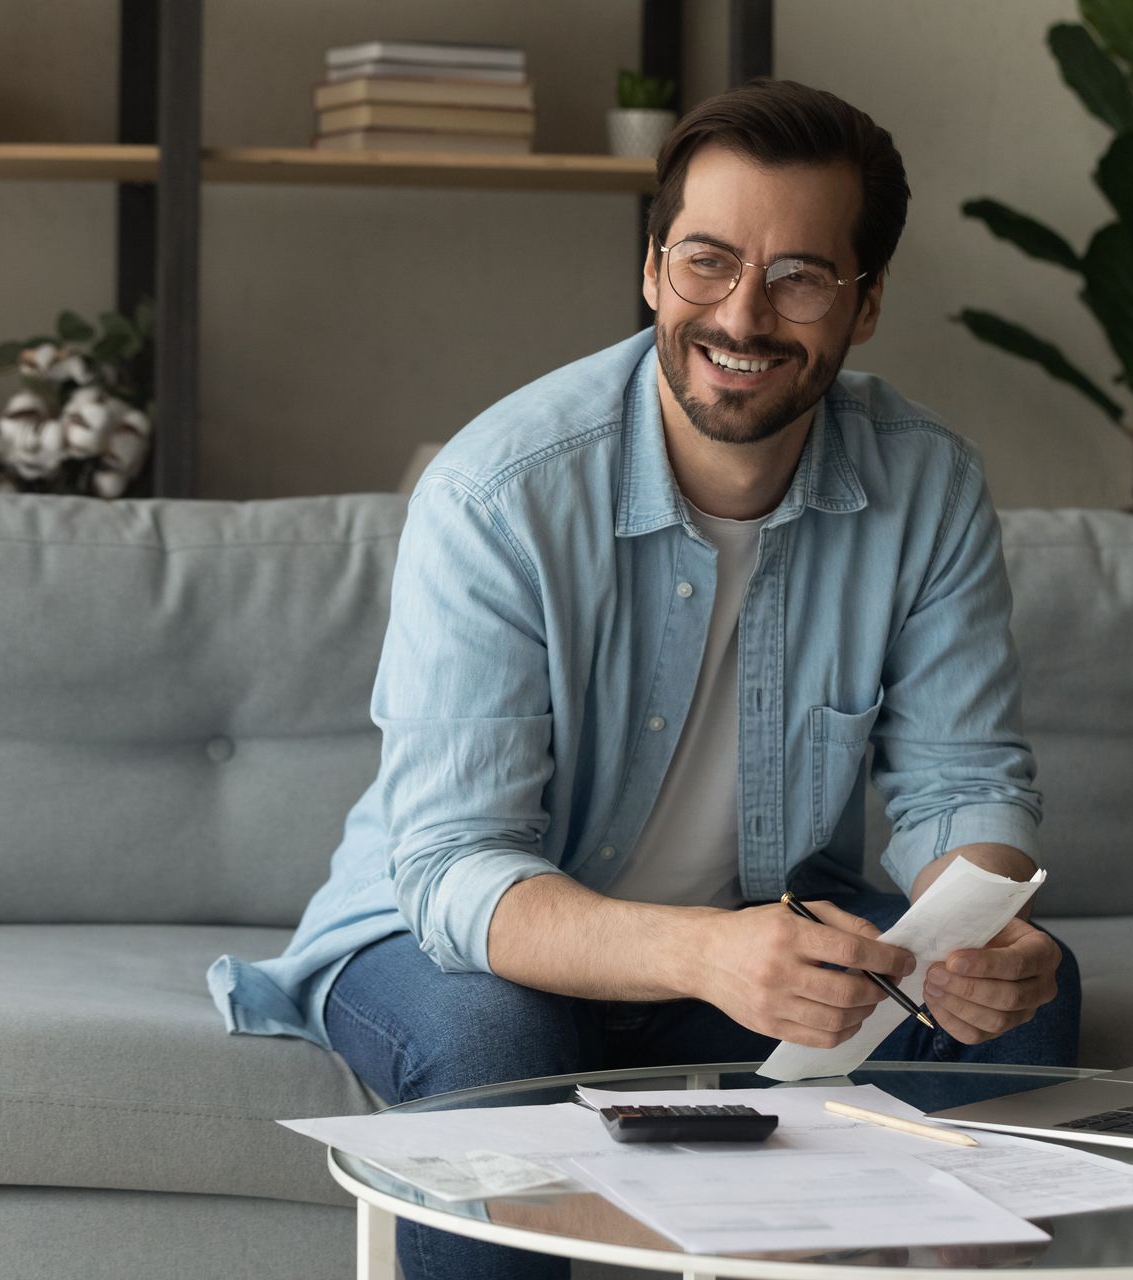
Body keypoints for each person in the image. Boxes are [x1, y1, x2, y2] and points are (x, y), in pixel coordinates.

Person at [208, 78, 1080, 1280]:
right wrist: (709, 952)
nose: (744, 315)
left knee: (1037, 994)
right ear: (654, 266)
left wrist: (980, 926)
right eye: (708, 262)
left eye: (801, 277)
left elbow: (963, 781)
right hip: (451, 943)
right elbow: (459, 870)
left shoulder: (926, 486)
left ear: (865, 304)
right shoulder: (498, 493)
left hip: (750, 939)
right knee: (500, 1047)